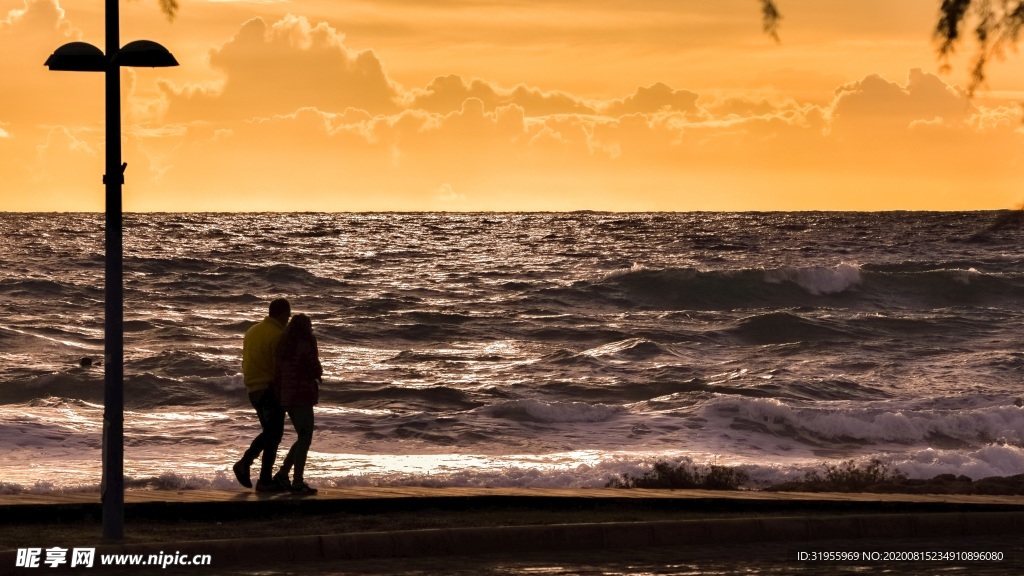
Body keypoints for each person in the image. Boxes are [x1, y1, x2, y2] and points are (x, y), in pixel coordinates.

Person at [234, 298, 291, 492]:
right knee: (273, 433)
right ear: (283, 315)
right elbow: (280, 368)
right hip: (269, 389)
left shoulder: (252, 330)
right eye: (288, 317)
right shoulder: (279, 335)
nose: (288, 321)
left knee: (271, 434)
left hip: (252, 389)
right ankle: (246, 463)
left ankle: (265, 480)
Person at [272, 313, 322, 495]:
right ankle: (297, 482)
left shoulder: (284, 346)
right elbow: (316, 369)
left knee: (302, 436)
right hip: (302, 395)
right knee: (305, 438)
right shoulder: (305, 344)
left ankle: (283, 474)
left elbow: (278, 373)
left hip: (287, 396)